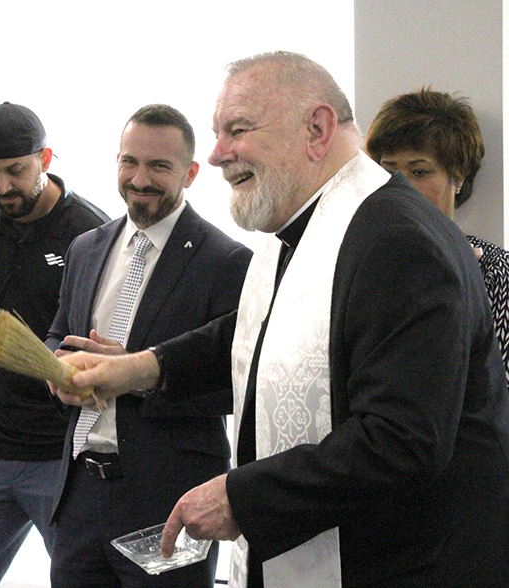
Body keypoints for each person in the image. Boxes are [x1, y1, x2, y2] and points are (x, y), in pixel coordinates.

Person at [53, 52, 509, 588]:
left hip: (406, 563)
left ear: (317, 129)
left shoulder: (399, 240)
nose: (217, 154)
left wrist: (239, 496)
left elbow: (401, 439)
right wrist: (137, 368)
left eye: (237, 130)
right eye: (217, 133)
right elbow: (258, 333)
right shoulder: (302, 225)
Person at [45, 104, 252, 587]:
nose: (140, 180)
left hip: (169, 502)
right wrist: (57, 369)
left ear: (191, 173)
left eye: (159, 166)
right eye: (130, 162)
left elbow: (237, 383)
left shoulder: (227, 261)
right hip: (78, 496)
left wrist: (138, 374)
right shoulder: (85, 248)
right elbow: (58, 332)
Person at [0, 102, 109, 588]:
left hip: (65, 454)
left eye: (15, 171)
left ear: (45, 158)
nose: (2, 186)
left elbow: (109, 343)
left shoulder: (92, 234)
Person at [365, 88, 509, 381]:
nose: (400, 185)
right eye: (389, 170)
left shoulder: (494, 271)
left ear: (458, 176)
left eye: (419, 172)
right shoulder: (360, 266)